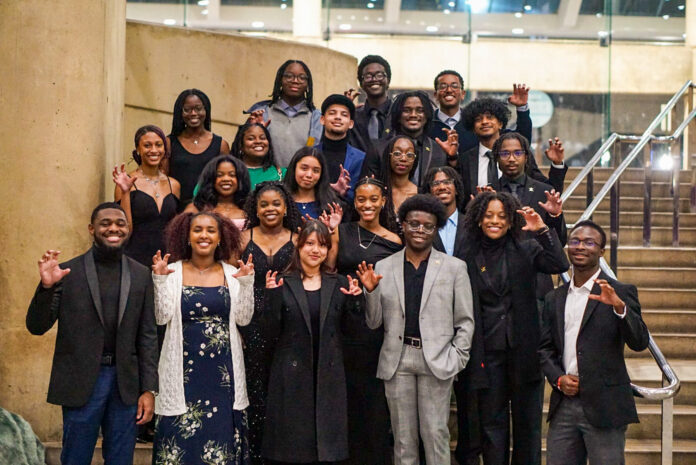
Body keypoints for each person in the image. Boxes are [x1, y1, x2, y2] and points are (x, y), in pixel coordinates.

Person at [26, 202, 158, 465]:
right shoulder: (67, 273)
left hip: (126, 384)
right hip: (82, 380)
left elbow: (148, 336)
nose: (113, 228)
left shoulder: (141, 274)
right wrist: (46, 288)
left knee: (121, 459)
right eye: (105, 223)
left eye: (120, 224)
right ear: (91, 229)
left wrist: (148, 390)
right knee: (75, 457)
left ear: (128, 229)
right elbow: (36, 326)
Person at [358, 194, 475, 465]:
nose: (420, 230)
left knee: (435, 434)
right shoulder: (384, 267)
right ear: (403, 225)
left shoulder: (454, 268)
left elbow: (465, 320)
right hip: (397, 360)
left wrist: (457, 358)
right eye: (414, 224)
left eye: (428, 226)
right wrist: (371, 292)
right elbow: (374, 322)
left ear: (436, 229)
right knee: (403, 439)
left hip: (437, 359)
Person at [454, 191, 569, 465]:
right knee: (492, 427)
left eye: (502, 217)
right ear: (479, 220)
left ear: (510, 222)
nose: (495, 221)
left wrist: (542, 230)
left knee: (527, 426)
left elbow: (560, 263)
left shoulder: (526, 247)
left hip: (525, 350)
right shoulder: (467, 254)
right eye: (489, 216)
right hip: (486, 353)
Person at [539, 221, 649, 465]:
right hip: (564, 404)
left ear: (601, 251)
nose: (580, 247)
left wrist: (620, 308)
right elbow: (544, 348)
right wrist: (558, 378)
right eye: (575, 241)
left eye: (589, 242)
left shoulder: (620, 291)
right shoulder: (554, 297)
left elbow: (639, 342)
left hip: (605, 406)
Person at [151, 211, 255, 465]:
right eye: (198, 230)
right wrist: (160, 280)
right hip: (182, 375)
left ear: (220, 237)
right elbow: (161, 317)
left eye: (211, 230)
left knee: (219, 441)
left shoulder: (233, 273)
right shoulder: (171, 271)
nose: (204, 235)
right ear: (187, 236)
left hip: (223, 376)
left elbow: (243, 319)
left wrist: (246, 283)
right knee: (178, 441)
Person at [262, 220, 364, 463]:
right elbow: (268, 333)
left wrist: (356, 303)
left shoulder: (340, 283)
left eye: (322, 245)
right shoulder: (282, 282)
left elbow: (353, 333)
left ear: (328, 250)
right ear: (298, 247)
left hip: (329, 372)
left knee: (327, 446)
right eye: (309, 244)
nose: (315, 250)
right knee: (293, 446)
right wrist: (272, 297)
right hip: (292, 373)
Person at [325, 177, 402, 465]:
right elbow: (330, 269)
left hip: (375, 325)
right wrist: (331, 231)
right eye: (361, 199)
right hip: (341, 320)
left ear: (383, 202)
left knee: (373, 399)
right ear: (354, 202)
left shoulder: (395, 240)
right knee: (344, 395)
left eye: (373, 199)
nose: (367, 205)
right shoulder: (341, 231)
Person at [237, 181, 302, 464]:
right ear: (256, 208)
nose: (270, 209)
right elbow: (232, 279)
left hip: (288, 322)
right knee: (255, 391)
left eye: (276, 203)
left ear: (286, 207)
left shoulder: (299, 239)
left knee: (285, 390)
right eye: (264, 204)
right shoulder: (242, 239)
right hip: (250, 322)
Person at [494, 132, 567, 298]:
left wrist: (555, 217)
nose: (511, 159)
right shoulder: (489, 192)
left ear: (527, 157)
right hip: (498, 282)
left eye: (517, 153)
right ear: (497, 159)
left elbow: (560, 241)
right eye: (505, 153)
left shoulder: (543, 191)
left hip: (537, 282)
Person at [455, 97, 566, 199]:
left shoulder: (519, 156)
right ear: (473, 128)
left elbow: (551, 192)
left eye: (489, 117)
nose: (484, 122)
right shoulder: (466, 159)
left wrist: (557, 164)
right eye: (479, 119)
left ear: (500, 124)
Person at [113, 125, 180, 266]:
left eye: (158, 145)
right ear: (138, 149)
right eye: (147, 145)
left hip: (167, 261)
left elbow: (175, 230)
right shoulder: (127, 182)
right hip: (135, 260)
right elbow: (125, 231)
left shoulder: (174, 185)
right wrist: (125, 192)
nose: (154, 150)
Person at [362, 91, 457, 188]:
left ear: (427, 115)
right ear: (398, 116)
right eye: (407, 110)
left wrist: (452, 158)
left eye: (420, 110)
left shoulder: (438, 150)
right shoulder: (379, 148)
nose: (413, 115)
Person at [429, 72, 533, 155]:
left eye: (454, 86)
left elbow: (522, 141)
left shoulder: (476, 121)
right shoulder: (427, 124)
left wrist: (522, 108)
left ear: (463, 94)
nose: (449, 90)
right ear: (435, 95)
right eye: (443, 86)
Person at [246, 60, 322, 167]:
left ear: (308, 84)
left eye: (302, 77)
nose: (295, 81)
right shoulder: (262, 112)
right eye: (289, 76)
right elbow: (242, 149)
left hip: (301, 181)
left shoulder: (317, 118)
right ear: (280, 80)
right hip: (265, 180)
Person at [168, 88, 230, 209]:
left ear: (206, 110)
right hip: (176, 210)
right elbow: (163, 178)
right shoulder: (169, 142)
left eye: (198, 108)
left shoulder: (221, 144)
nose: (193, 113)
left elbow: (226, 179)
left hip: (210, 210)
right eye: (187, 110)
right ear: (180, 113)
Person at [315, 94, 366, 201]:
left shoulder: (361, 158)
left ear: (351, 124)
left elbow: (363, 194)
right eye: (332, 113)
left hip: (349, 215)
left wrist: (344, 193)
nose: (338, 117)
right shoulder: (310, 154)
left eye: (344, 114)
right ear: (322, 119)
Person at [185, 155, 251, 232]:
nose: (226, 179)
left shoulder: (250, 208)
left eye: (232, 175)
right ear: (210, 179)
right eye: (219, 175)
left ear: (241, 180)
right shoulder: (197, 207)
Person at [284, 146, 343, 220]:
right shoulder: (281, 199)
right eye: (304, 168)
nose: (309, 175)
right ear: (294, 168)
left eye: (315, 171)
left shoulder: (331, 203)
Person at [348, 55, 393, 151]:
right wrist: (345, 108)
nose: (374, 79)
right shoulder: (353, 116)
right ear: (361, 83)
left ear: (388, 80)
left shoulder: (399, 114)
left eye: (379, 75)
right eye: (368, 76)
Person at [424, 166, 467, 258]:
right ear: (429, 191)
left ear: (456, 189)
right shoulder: (423, 227)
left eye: (447, 182)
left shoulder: (470, 224)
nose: (442, 187)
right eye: (436, 183)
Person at [231, 122, 286, 190]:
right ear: (240, 145)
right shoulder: (232, 173)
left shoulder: (282, 174)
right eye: (251, 138)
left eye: (262, 138)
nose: (258, 141)